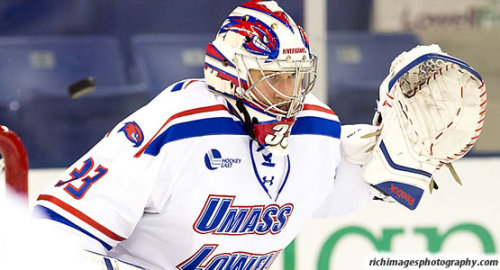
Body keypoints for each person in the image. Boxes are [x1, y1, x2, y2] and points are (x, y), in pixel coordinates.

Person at [33, 0, 485, 269]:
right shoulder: (175, 127)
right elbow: (52, 238)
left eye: (297, 77)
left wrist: (379, 163)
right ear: (230, 72)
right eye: (275, 77)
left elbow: (313, 198)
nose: (290, 93)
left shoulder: (317, 129)